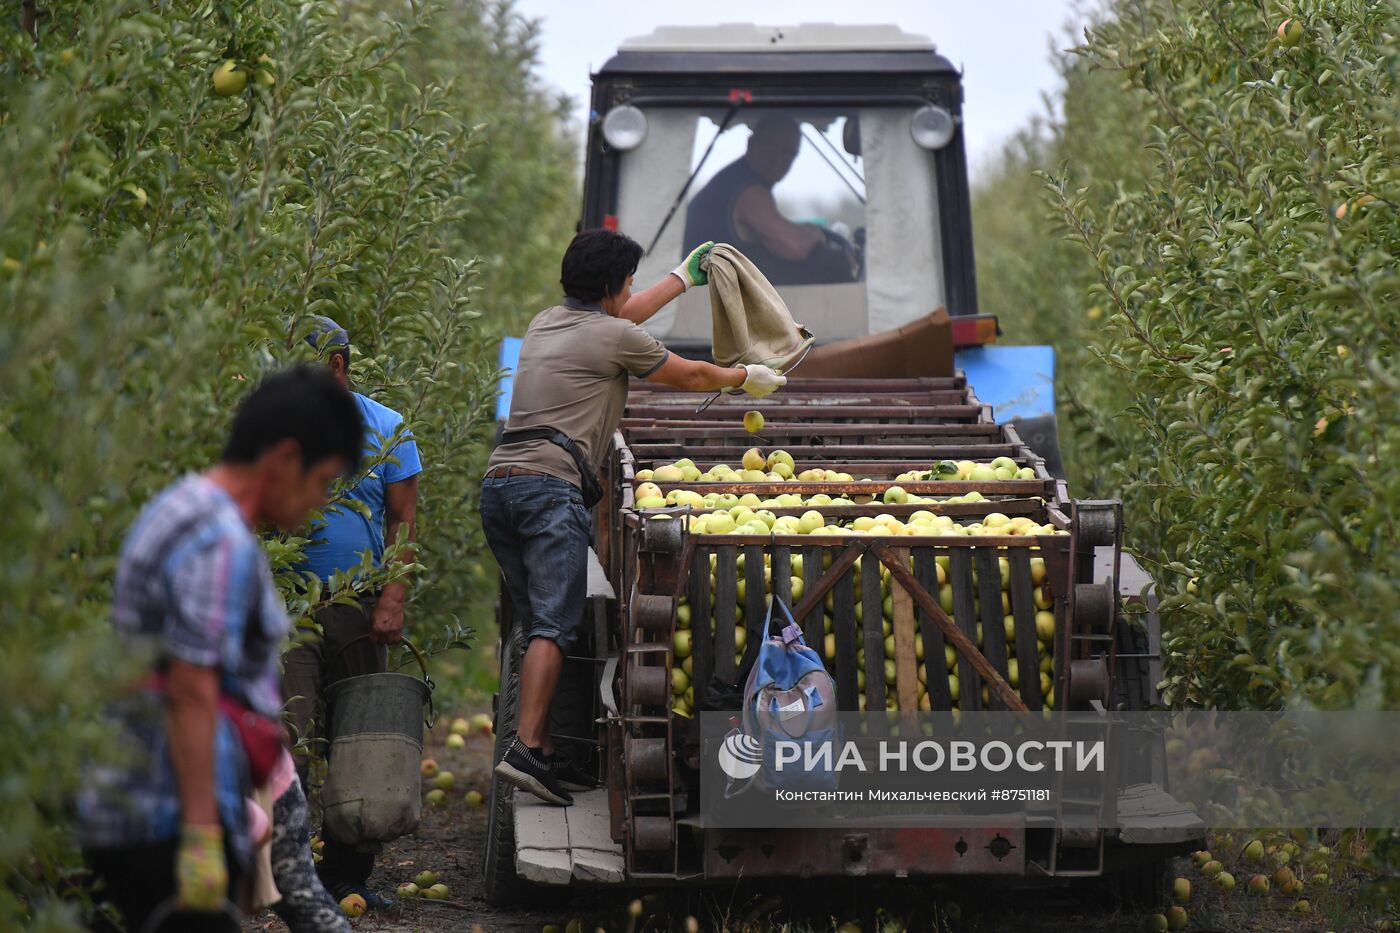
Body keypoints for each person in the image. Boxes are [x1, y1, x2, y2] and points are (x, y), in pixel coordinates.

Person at [483, 228, 786, 806]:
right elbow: (691, 376)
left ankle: (543, 751)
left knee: (539, 621)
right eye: (627, 283)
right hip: (549, 490)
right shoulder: (612, 336)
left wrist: (682, 278)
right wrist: (744, 378)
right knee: (554, 622)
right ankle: (524, 747)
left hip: (501, 487)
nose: (631, 292)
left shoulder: (547, 322)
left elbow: (620, 316)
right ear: (609, 288)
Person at [79, 367, 363, 933]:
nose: (320, 502)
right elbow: (190, 690)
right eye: (323, 481)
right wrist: (205, 836)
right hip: (168, 816)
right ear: (285, 458)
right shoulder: (220, 543)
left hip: (141, 804)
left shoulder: (181, 505)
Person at [281, 315, 422, 908]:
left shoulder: (387, 428)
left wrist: (392, 597)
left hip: (359, 608)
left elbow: (404, 522)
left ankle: (346, 876)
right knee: (284, 734)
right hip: (289, 608)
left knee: (358, 743)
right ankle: (283, 873)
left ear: (337, 366)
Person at [683, 114, 858, 285]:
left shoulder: (734, 180)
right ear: (752, 143)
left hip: (714, 286)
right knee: (832, 262)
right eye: (772, 148)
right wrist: (815, 234)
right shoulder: (746, 190)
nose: (779, 159)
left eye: (789, 153)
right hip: (708, 294)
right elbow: (795, 247)